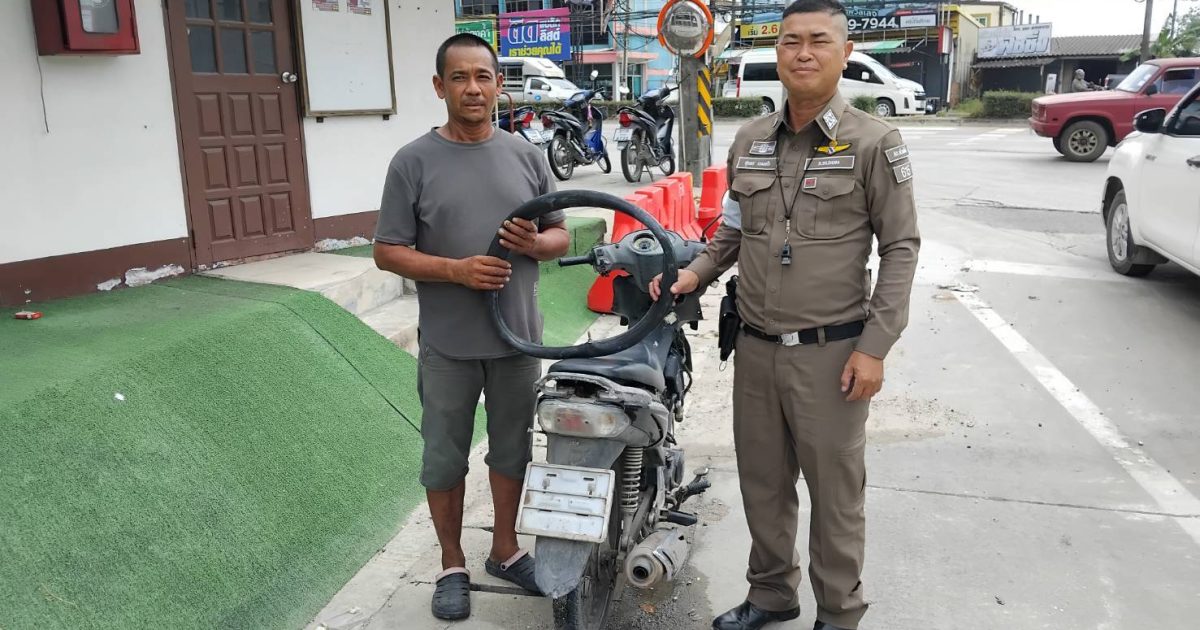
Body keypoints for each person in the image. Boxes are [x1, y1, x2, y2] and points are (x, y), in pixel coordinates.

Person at [650, 1, 919, 628]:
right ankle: (772, 593)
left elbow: (901, 248)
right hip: (756, 348)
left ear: (844, 52)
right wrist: (694, 272)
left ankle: (839, 612)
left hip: (832, 354)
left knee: (835, 494)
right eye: (791, 41)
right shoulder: (751, 140)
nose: (803, 52)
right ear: (777, 52)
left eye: (819, 40)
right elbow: (732, 231)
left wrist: (874, 347)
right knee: (763, 484)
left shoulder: (874, 142)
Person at [372, 32, 570, 622]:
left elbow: (561, 235)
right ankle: (452, 563)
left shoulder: (527, 156)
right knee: (443, 459)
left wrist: (535, 244)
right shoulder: (413, 162)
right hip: (448, 346)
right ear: (440, 87)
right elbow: (386, 251)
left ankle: (505, 551)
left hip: (517, 341)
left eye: (483, 76)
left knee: (513, 450)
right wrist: (455, 270)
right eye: (459, 77)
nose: (473, 88)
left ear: (499, 84)